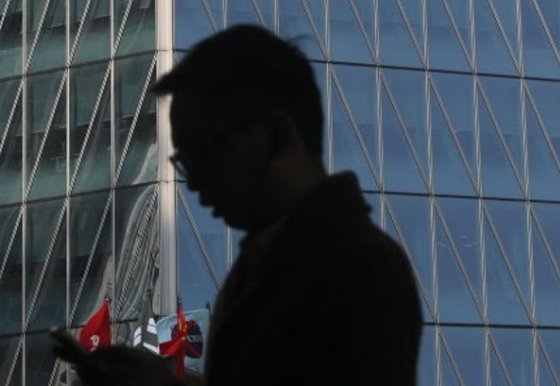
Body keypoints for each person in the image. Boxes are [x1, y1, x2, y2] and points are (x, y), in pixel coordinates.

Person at [53, 25, 423, 385]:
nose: (194, 180)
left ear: (275, 136)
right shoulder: (269, 262)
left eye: (207, 154)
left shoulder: (359, 269)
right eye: (185, 160)